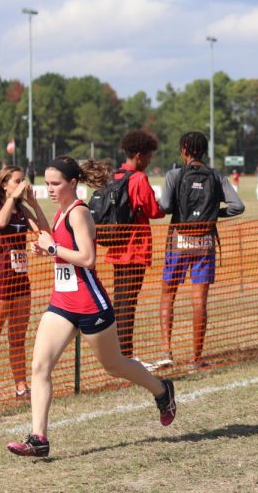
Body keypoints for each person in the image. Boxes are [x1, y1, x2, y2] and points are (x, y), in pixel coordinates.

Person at [7, 156, 176, 458]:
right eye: (46, 184)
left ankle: (162, 391)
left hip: (89, 304)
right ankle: (39, 438)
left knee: (114, 366)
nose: (50, 189)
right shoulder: (62, 213)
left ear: (73, 183)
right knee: (39, 367)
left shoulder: (80, 213)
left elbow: (87, 258)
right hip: (61, 303)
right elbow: (53, 237)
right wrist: (36, 212)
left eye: (55, 184)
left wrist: (53, 249)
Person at [159, 132, 245, 369]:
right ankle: (197, 357)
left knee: (168, 295)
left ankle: (167, 351)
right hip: (206, 242)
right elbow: (238, 206)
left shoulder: (174, 175)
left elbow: (165, 206)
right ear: (204, 151)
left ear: (184, 150)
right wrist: (212, 215)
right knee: (200, 301)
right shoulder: (216, 176)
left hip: (177, 242)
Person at [0, 166, 49, 411]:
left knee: (17, 339)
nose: (22, 184)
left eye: (23, 180)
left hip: (21, 283)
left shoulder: (22, 210)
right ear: (4, 184)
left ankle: (21, 387)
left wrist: (34, 205)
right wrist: (13, 199)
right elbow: (1, 221)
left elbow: (44, 232)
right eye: (17, 181)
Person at [105, 130, 165, 365]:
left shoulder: (115, 175)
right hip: (135, 249)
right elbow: (153, 210)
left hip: (116, 248)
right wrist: (165, 205)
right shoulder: (139, 178)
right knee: (128, 303)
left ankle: (119, 352)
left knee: (119, 301)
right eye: (149, 157)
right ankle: (126, 356)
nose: (150, 161)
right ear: (139, 155)